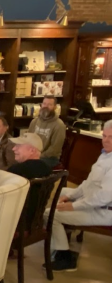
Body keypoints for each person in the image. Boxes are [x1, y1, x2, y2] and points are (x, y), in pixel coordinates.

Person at [43, 120, 112, 272]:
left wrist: (73, 206)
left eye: (110, 137)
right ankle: (60, 232)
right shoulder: (106, 155)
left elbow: (103, 197)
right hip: (94, 201)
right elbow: (88, 183)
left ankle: (65, 257)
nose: (105, 141)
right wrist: (71, 196)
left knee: (51, 214)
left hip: (104, 210)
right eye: (104, 136)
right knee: (60, 193)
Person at [28, 96, 66, 168]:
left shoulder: (59, 125)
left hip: (49, 158)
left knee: (27, 166)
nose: (46, 106)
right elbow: (28, 139)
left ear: (55, 107)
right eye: (44, 103)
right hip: (34, 155)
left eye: (49, 104)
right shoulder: (34, 121)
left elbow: (55, 149)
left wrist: (39, 155)